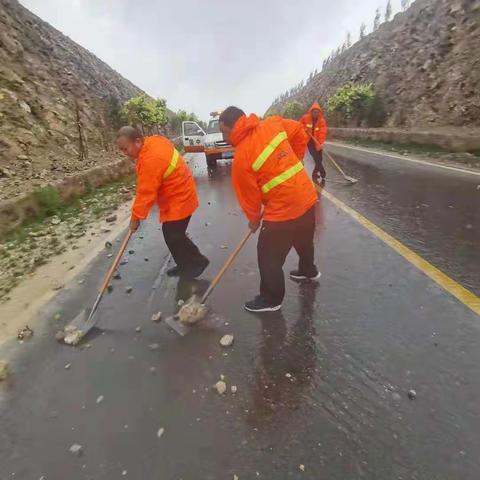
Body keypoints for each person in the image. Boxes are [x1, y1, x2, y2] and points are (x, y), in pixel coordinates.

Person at [219, 107, 320, 313]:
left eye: (223, 131)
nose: (223, 137)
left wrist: (254, 219)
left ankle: (271, 299)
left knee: (268, 256)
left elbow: (249, 198)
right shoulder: (272, 123)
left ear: (231, 128)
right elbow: (300, 132)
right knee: (303, 240)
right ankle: (308, 271)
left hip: (283, 210)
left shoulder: (242, 157)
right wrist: (295, 160)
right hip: (307, 197)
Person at [116, 126, 209, 279]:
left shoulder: (151, 159)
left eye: (125, 149)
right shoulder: (152, 141)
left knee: (173, 235)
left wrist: (135, 219)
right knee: (173, 234)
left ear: (138, 141)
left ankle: (196, 263)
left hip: (180, 197)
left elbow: (145, 194)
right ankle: (186, 264)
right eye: (121, 150)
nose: (124, 153)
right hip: (176, 193)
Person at [300, 102, 328, 182]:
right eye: (314, 111)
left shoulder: (321, 121)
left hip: (318, 141)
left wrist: (321, 143)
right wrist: (304, 128)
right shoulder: (305, 118)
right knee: (316, 158)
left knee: (320, 159)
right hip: (309, 142)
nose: (316, 113)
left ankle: (314, 174)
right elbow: (299, 125)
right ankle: (323, 173)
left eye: (317, 112)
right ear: (311, 111)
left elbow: (322, 132)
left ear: (319, 112)